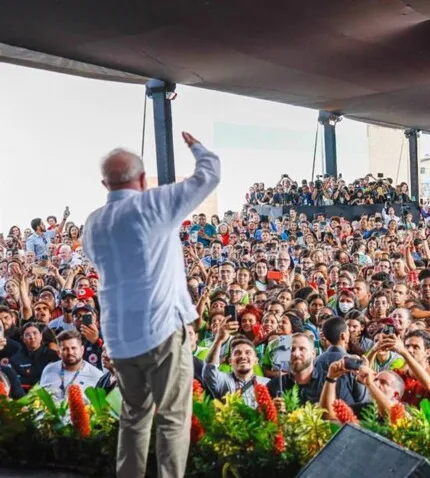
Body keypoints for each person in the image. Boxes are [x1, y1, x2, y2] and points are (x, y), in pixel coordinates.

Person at [82, 132, 220, 478]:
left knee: (134, 416)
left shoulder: (93, 223)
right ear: (142, 180)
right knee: (173, 417)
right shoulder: (153, 204)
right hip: (161, 331)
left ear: (105, 184)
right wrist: (196, 147)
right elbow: (210, 174)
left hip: (119, 337)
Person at [203, 321, 269, 408]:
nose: (243, 356)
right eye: (237, 353)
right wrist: (218, 340)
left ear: (256, 361)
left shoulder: (267, 383)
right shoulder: (223, 381)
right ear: (230, 361)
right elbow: (209, 369)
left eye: (248, 353)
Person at [39, 330, 103, 402]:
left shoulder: (97, 375)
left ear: (82, 350)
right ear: (59, 352)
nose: (70, 352)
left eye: (73, 348)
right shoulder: (48, 370)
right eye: (65, 349)